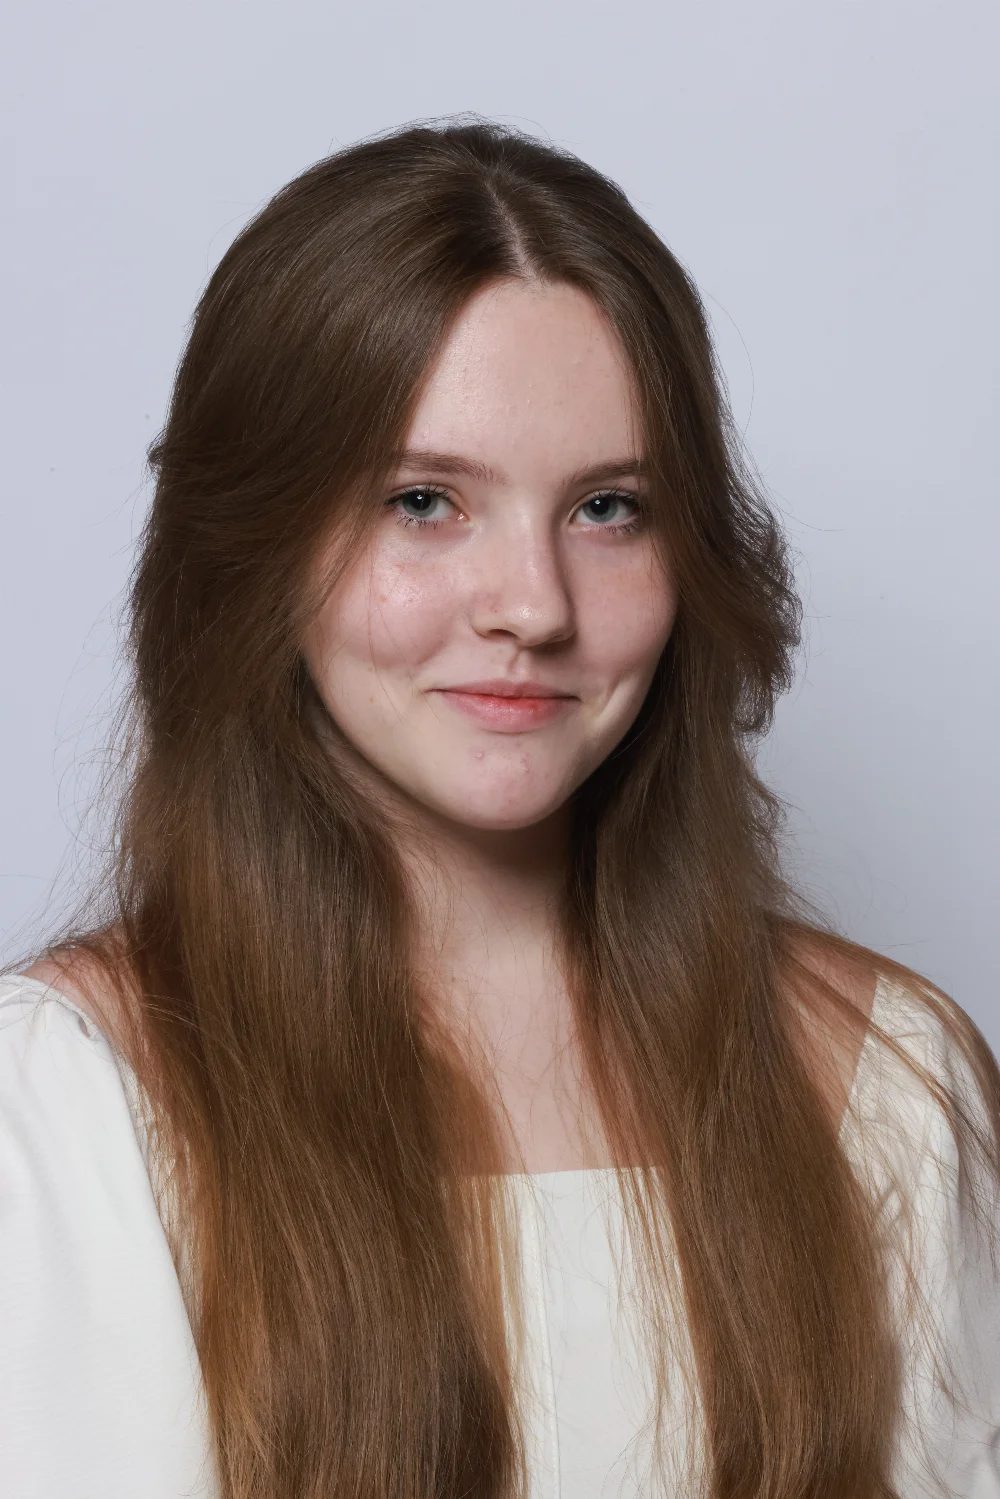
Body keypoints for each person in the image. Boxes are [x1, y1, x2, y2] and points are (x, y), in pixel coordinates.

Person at [2, 118, 998, 1499]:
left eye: (609, 508)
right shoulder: (75, 1106)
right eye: (424, 500)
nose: (532, 605)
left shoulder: (890, 1082)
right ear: (254, 545)